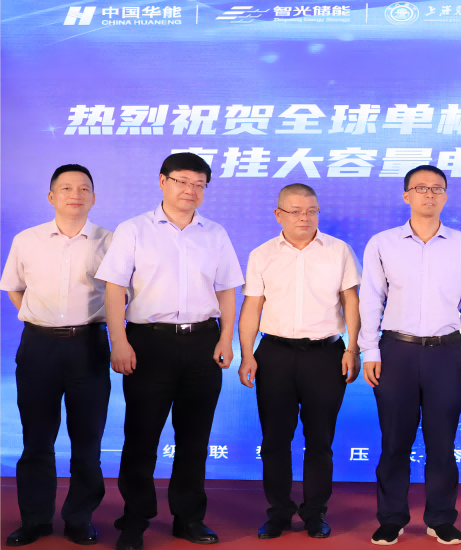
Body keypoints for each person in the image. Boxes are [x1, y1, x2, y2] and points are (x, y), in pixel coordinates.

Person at [95, 152, 244, 550]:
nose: (190, 190)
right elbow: (114, 289)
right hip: (148, 343)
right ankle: (134, 520)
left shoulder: (215, 233)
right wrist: (119, 341)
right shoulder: (133, 230)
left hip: (202, 342)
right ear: (163, 181)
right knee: (141, 437)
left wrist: (225, 339)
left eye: (199, 184)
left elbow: (227, 290)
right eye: (182, 181)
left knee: (195, 438)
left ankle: (189, 518)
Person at [360, 166, 461, 546]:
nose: (429, 194)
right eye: (420, 188)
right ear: (406, 196)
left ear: (445, 195)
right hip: (396, 351)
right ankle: (391, 518)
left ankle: (441, 518)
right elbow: (371, 299)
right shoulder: (382, 243)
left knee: (442, 444)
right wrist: (370, 349)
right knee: (394, 442)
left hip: (446, 352)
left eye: (436, 189)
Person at [237, 183, 361, 540]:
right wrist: (247, 353)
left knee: (320, 439)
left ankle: (315, 513)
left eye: (311, 210)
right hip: (274, 354)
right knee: (275, 439)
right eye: (295, 211)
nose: (304, 217)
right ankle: (278, 512)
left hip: (326, 354)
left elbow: (351, 302)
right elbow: (252, 307)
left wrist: (353, 349)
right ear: (279, 215)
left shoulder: (339, 251)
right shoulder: (262, 254)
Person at [1, 165, 113, 547]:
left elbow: (121, 295)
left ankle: (80, 519)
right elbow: (14, 287)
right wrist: (39, 317)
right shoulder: (27, 240)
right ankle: (35, 520)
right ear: (51, 197)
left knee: (87, 444)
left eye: (84, 188)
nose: (75, 195)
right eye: (66, 188)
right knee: (36, 440)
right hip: (39, 347)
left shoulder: (110, 242)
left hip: (89, 346)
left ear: (94, 197)